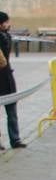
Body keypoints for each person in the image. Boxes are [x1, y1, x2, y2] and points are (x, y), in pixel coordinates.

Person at [0, 11, 24, 150]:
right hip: (3, 76)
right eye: (7, 22)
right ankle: (13, 140)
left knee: (12, 111)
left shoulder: (6, 36)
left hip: (7, 77)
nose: (9, 24)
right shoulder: (4, 37)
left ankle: (15, 139)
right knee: (11, 111)